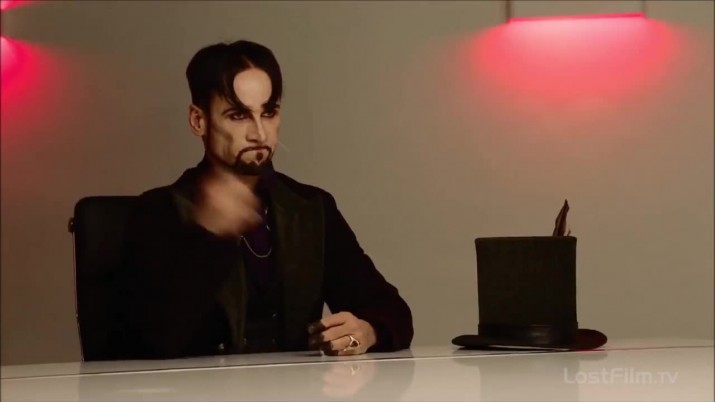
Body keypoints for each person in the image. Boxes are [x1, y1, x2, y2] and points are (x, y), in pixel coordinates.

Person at [107, 39, 413, 359]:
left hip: (297, 385)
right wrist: (210, 238)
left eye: (268, 113)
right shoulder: (158, 211)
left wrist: (366, 331)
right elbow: (147, 342)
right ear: (199, 121)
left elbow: (392, 310)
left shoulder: (310, 207)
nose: (260, 133)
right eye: (238, 115)